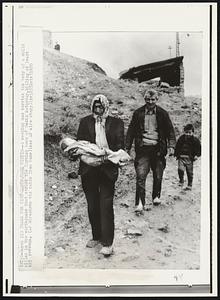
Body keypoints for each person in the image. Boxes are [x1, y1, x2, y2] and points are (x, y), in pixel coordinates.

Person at [74, 94, 124, 256]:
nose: (98, 110)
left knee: (105, 205)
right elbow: (79, 144)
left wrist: (108, 154)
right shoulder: (85, 122)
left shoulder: (117, 123)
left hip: (107, 168)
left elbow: (120, 146)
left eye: (101, 107)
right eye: (95, 107)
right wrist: (83, 152)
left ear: (106, 107)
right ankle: (96, 236)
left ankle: (108, 243)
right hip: (89, 169)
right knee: (92, 205)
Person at [125, 89, 176, 213]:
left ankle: (156, 196)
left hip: (158, 150)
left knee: (158, 175)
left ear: (156, 100)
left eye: (153, 99)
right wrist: (127, 148)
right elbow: (131, 131)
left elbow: (170, 131)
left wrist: (171, 146)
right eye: (148, 99)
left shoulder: (163, 114)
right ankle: (140, 203)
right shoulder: (138, 113)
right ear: (145, 99)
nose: (150, 102)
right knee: (140, 175)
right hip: (143, 149)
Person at [174, 124, 201, 190]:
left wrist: (197, 155)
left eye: (190, 133)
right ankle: (181, 180)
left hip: (189, 158)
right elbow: (177, 146)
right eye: (186, 132)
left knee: (189, 172)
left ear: (192, 132)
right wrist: (176, 154)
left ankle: (189, 184)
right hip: (181, 157)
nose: (188, 134)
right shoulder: (181, 139)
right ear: (184, 132)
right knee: (180, 169)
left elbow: (199, 148)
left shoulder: (195, 140)